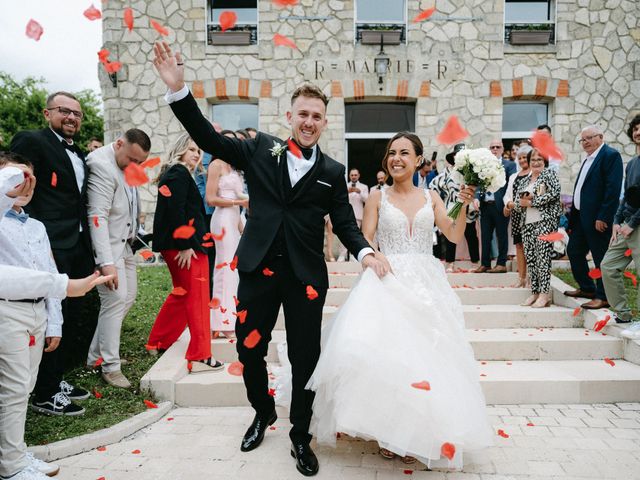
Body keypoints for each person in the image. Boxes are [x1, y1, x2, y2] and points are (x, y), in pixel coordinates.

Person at [153, 41, 388, 477]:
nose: (309, 122)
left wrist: (367, 253)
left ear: (324, 122)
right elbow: (207, 137)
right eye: (303, 114)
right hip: (256, 270)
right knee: (249, 348)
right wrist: (179, 90)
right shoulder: (260, 148)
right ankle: (263, 412)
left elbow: (345, 222)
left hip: (305, 278)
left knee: (305, 358)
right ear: (290, 118)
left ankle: (301, 434)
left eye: (317, 116)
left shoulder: (334, 173)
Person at [307, 132, 493, 470]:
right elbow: (364, 238)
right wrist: (375, 258)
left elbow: (452, 233)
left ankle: (419, 430)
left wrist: (463, 204)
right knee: (390, 358)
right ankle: (388, 431)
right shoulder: (377, 196)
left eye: (405, 153)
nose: (396, 158)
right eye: (392, 153)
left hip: (425, 281)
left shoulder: (432, 196)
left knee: (425, 358)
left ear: (419, 159)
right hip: (386, 278)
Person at [0, 159, 113, 480]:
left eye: (28, 178)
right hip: (8, 309)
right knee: (14, 389)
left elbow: (49, 273)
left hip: (37, 311)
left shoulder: (37, 227)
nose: (23, 185)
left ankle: (15, 453)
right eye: (16, 178)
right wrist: (14, 177)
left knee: (24, 387)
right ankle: (11, 465)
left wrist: (54, 323)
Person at [11, 91, 97, 416]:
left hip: (76, 245)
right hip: (47, 242)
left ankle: (54, 378)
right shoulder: (32, 141)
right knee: (50, 315)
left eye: (77, 113)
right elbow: (17, 184)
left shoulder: (79, 155)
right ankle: (44, 393)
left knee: (70, 315)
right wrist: (28, 228)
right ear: (47, 114)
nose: (72, 117)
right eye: (64, 111)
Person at [147, 133, 224, 373]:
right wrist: (185, 245)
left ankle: (157, 341)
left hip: (182, 244)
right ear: (180, 149)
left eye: (198, 151)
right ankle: (201, 353)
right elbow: (176, 211)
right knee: (198, 297)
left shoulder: (175, 173)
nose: (196, 154)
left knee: (183, 294)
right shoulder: (178, 172)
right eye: (191, 149)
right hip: (186, 246)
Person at [85, 129, 151, 388]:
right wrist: (105, 261)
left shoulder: (125, 162)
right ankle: (110, 367)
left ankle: (95, 356)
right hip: (108, 248)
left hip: (125, 243)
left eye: (140, 162)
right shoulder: (101, 165)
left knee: (128, 296)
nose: (135, 166)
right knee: (114, 299)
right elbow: (96, 216)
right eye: (132, 160)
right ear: (119, 143)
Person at [564, 125, 623, 309]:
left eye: (589, 138)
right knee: (573, 250)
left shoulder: (610, 155)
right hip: (581, 217)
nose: (586, 142)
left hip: (598, 218)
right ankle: (587, 288)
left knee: (600, 257)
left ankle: (603, 296)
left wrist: (604, 216)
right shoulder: (588, 158)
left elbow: (612, 189)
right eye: (583, 140)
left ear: (600, 136)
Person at [205, 131, 248, 339]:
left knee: (233, 269)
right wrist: (239, 203)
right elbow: (211, 199)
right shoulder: (216, 165)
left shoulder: (234, 167)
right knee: (224, 268)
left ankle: (225, 318)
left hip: (234, 219)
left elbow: (240, 197)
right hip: (221, 220)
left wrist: (243, 228)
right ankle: (222, 322)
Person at [601, 114, 640, 337]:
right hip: (625, 225)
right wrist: (617, 221)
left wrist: (632, 224)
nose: (638, 132)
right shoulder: (633, 163)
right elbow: (625, 197)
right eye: (635, 129)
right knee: (608, 266)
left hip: (637, 225)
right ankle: (623, 314)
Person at [514, 149, 561, 307]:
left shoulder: (549, 174)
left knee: (543, 258)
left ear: (545, 161)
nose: (536, 162)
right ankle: (534, 292)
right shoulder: (524, 180)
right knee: (532, 259)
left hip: (545, 222)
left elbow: (554, 193)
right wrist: (520, 204)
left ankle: (544, 294)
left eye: (539, 159)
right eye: (533, 159)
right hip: (527, 223)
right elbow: (517, 201)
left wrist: (532, 201)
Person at [429, 148, 480, 271]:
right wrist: (438, 204)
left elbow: (479, 188)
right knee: (450, 235)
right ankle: (450, 262)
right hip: (451, 207)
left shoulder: (471, 172)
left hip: (468, 209)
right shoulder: (447, 173)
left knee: (471, 235)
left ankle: (475, 262)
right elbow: (433, 186)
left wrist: (476, 198)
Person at [474, 140, 517, 273]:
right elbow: (478, 183)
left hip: (500, 205)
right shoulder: (483, 165)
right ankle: (485, 263)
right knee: (485, 236)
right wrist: (476, 198)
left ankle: (501, 263)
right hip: (485, 205)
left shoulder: (509, 165)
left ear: (502, 149)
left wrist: (508, 203)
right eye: (492, 147)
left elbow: (512, 185)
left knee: (502, 235)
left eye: (498, 147)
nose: (495, 149)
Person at [503, 144, 533, 287]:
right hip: (516, 216)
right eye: (519, 158)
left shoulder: (535, 174)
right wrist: (508, 203)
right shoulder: (514, 176)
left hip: (530, 216)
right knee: (519, 247)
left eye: (524, 157)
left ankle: (531, 278)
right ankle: (521, 278)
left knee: (530, 247)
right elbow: (507, 195)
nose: (522, 160)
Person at [337, 168, 368, 261]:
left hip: (358, 214)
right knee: (344, 234)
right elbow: (339, 199)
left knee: (355, 235)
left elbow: (367, 200)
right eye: (352, 175)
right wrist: (347, 192)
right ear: (349, 176)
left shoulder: (364, 187)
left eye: (355, 175)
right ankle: (342, 255)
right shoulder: (344, 186)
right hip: (346, 214)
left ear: (358, 176)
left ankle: (353, 255)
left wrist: (360, 192)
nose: (354, 176)